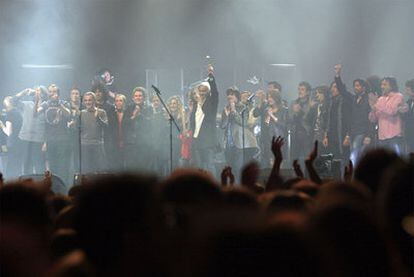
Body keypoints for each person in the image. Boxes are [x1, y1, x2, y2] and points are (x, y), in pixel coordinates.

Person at [334, 64, 374, 165]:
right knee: (354, 153)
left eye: (358, 86)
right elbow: (343, 91)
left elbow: (371, 118)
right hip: (353, 131)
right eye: (354, 86)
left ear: (363, 87)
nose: (355, 88)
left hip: (363, 131)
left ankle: (357, 173)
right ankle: (354, 173)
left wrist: (369, 135)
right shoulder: (353, 99)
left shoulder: (369, 99)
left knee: (356, 153)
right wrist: (338, 75)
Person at [36, 84, 71, 184]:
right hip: (50, 140)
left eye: (54, 92)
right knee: (52, 165)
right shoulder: (46, 104)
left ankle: (64, 186)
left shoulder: (64, 103)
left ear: (58, 94)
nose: (51, 94)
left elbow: (69, 115)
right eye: (50, 92)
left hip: (63, 140)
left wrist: (59, 105)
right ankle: (54, 186)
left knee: (63, 165)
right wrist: (37, 100)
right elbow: (36, 113)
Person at [220, 87, 258, 179]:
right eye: (228, 94)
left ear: (237, 96)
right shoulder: (225, 108)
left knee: (238, 168)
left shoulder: (243, 107)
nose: (229, 96)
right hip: (228, 143)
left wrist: (234, 111)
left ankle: (240, 188)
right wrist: (227, 115)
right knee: (229, 168)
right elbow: (223, 126)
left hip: (239, 142)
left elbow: (244, 123)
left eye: (232, 94)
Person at [190, 64, 219, 175]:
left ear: (207, 92)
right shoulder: (196, 104)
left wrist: (211, 77)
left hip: (207, 139)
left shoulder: (211, 103)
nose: (201, 93)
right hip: (197, 139)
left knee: (209, 164)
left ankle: (214, 186)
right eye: (200, 91)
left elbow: (215, 93)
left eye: (204, 91)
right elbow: (194, 122)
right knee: (200, 166)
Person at [11, 86, 47, 175]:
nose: (36, 92)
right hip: (25, 138)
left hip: (39, 140)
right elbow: (12, 101)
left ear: (43, 94)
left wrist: (46, 142)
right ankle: (27, 186)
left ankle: (40, 186)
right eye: (36, 91)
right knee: (27, 165)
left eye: (39, 91)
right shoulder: (27, 104)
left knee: (39, 166)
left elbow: (48, 126)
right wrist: (24, 92)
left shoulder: (46, 105)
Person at [369, 77, 405, 154]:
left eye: (385, 84)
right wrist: (372, 109)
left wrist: (377, 105)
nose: (382, 87)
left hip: (394, 134)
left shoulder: (398, 96)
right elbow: (374, 119)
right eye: (381, 84)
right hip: (382, 136)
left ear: (391, 86)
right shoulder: (380, 99)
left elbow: (392, 111)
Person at [80, 92, 108, 173]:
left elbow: (106, 126)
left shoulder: (101, 112)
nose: (88, 102)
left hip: (97, 144)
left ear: (94, 101)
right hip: (85, 145)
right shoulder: (82, 113)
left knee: (99, 170)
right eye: (86, 100)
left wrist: (98, 118)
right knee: (86, 170)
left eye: (90, 100)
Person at [289, 82, 312, 161]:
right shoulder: (293, 103)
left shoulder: (311, 104)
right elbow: (289, 118)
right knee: (293, 159)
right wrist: (295, 113)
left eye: (302, 89)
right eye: (299, 89)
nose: (300, 91)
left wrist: (299, 111)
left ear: (308, 92)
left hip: (306, 134)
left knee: (308, 158)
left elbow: (309, 119)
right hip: (294, 134)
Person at [0, 96, 23, 179]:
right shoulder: (18, 112)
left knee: (11, 167)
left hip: (13, 143)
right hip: (20, 142)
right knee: (18, 166)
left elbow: (9, 132)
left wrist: (2, 126)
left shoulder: (10, 113)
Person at [401, 79, 414, 153]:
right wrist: (402, 112)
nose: (406, 92)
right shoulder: (408, 102)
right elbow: (405, 118)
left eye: (408, 90)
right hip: (409, 134)